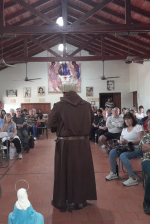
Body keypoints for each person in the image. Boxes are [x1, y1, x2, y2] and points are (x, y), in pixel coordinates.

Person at [48, 83, 97, 212]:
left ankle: (63, 200)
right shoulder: (86, 105)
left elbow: (51, 124)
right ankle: (80, 201)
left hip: (66, 144)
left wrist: (59, 128)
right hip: (83, 144)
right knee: (81, 171)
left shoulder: (59, 106)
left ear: (64, 93)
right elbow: (91, 121)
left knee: (64, 171)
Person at [105, 113, 144, 186]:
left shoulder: (138, 127)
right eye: (125, 119)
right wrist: (121, 142)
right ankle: (114, 173)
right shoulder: (124, 129)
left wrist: (128, 142)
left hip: (136, 148)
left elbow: (140, 141)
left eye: (129, 118)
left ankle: (132, 178)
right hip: (126, 148)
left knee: (123, 155)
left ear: (133, 119)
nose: (127, 120)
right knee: (112, 152)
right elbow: (121, 139)